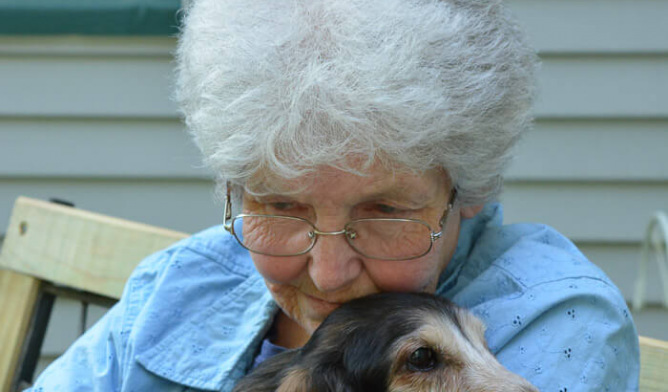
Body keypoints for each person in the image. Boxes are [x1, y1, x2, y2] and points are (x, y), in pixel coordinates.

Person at [28, 0, 639, 391]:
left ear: (466, 188)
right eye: (281, 206)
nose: (327, 273)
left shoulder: (554, 322)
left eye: (384, 211)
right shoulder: (184, 281)